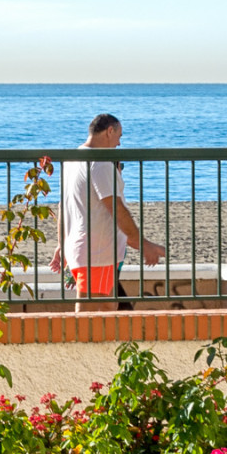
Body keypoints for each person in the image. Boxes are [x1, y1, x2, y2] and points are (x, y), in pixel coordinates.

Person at [54, 113, 165, 309]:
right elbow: (116, 208)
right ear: (109, 131)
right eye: (119, 136)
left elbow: (64, 206)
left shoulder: (72, 160)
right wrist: (143, 244)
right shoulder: (100, 163)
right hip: (97, 251)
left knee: (106, 307)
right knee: (93, 310)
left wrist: (62, 243)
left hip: (83, 248)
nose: (119, 143)